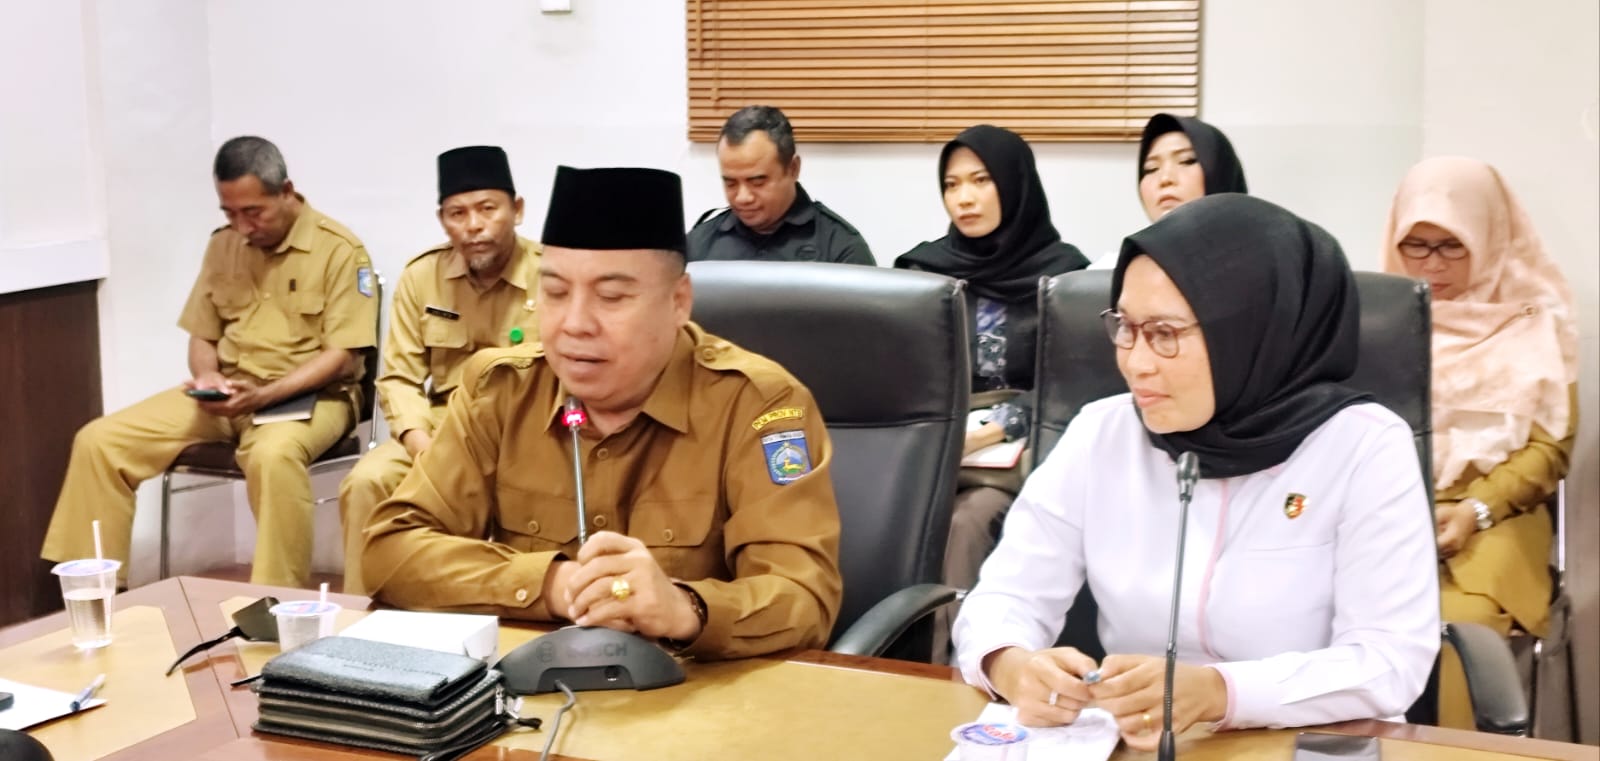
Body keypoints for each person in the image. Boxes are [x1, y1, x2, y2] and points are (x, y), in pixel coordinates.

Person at [954, 194, 1438, 749]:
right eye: (1125, 326)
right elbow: (1005, 595)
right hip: (1137, 742)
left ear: (1254, 332)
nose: (1135, 362)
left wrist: (1219, 692)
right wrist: (1012, 663)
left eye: (1164, 333)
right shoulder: (1102, 433)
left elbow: (1388, 659)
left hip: (1311, 741)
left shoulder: (1364, 447)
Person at [362, 165, 844, 660]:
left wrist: (686, 608)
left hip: (695, 690)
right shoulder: (501, 389)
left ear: (678, 302)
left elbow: (803, 597)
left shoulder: (757, 404)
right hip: (534, 685)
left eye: (611, 297)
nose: (574, 324)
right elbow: (390, 549)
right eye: (554, 293)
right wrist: (556, 584)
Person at [41, 136, 377, 588]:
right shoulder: (223, 245)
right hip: (230, 394)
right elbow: (203, 335)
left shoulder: (339, 250)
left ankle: (275, 603)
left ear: (286, 191)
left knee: (273, 457)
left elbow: (342, 357)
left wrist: (264, 396)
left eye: (253, 212)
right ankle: (94, 596)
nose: (242, 226)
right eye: (229, 213)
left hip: (311, 399)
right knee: (100, 441)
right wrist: (208, 376)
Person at [1381, 156, 1578, 729]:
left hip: (1492, 527)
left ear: (1489, 238)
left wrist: (1475, 510)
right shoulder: (1380, 322)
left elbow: (1551, 450)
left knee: (1449, 638)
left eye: (1452, 245)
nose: (1431, 264)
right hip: (1387, 519)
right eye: (1416, 245)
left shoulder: (1538, 326)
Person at [894, 124, 1088, 606]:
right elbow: (902, 380)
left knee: (966, 521)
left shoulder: (1064, 277)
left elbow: (1068, 386)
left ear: (1015, 184)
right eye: (952, 184)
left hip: (1020, 451)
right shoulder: (922, 275)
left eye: (981, 180)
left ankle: (953, 652)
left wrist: (993, 429)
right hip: (934, 444)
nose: (964, 198)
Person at [336, 146, 541, 595]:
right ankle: (359, 617)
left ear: (517, 210)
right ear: (442, 220)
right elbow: (399, 378)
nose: (473, 225)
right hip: (441, 427)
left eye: (488, 209)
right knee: (367, 481)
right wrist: (420, 445)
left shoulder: (552, 276)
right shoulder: (422, 276)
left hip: (526, 432)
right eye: (457, 213)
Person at [687, 105, 875, 265]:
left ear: (793, 169)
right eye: (731, 183)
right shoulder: (698, 246)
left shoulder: (840, 248)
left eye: (757, 182)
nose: (743, 197)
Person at [1090, 113, 1248, 269]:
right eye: (1151, 168)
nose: (1165, 178)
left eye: (1187, 161)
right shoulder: (1113, 269)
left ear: (1222, 173)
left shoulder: (1255, 262)